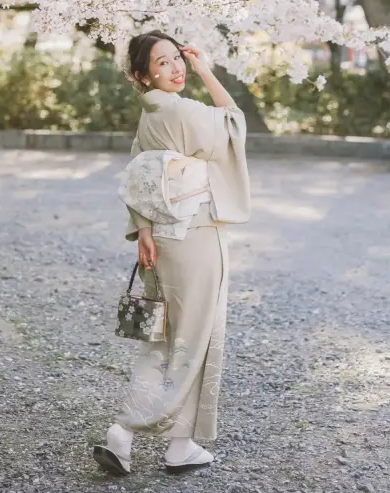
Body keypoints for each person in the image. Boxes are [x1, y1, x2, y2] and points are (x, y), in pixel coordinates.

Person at [92, 30, 252, 477]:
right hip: (195, 235)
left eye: (178, 59)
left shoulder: (150, 116)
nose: (176, 68)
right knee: (194, 340)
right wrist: (206, 69)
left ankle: (179, 446)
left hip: (161, 239)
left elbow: (138, 175)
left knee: (162, 339)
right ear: (143, 75)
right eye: (163, 64)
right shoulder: (182, 109)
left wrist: (143, 229)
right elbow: (234, 121)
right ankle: (124, 430)